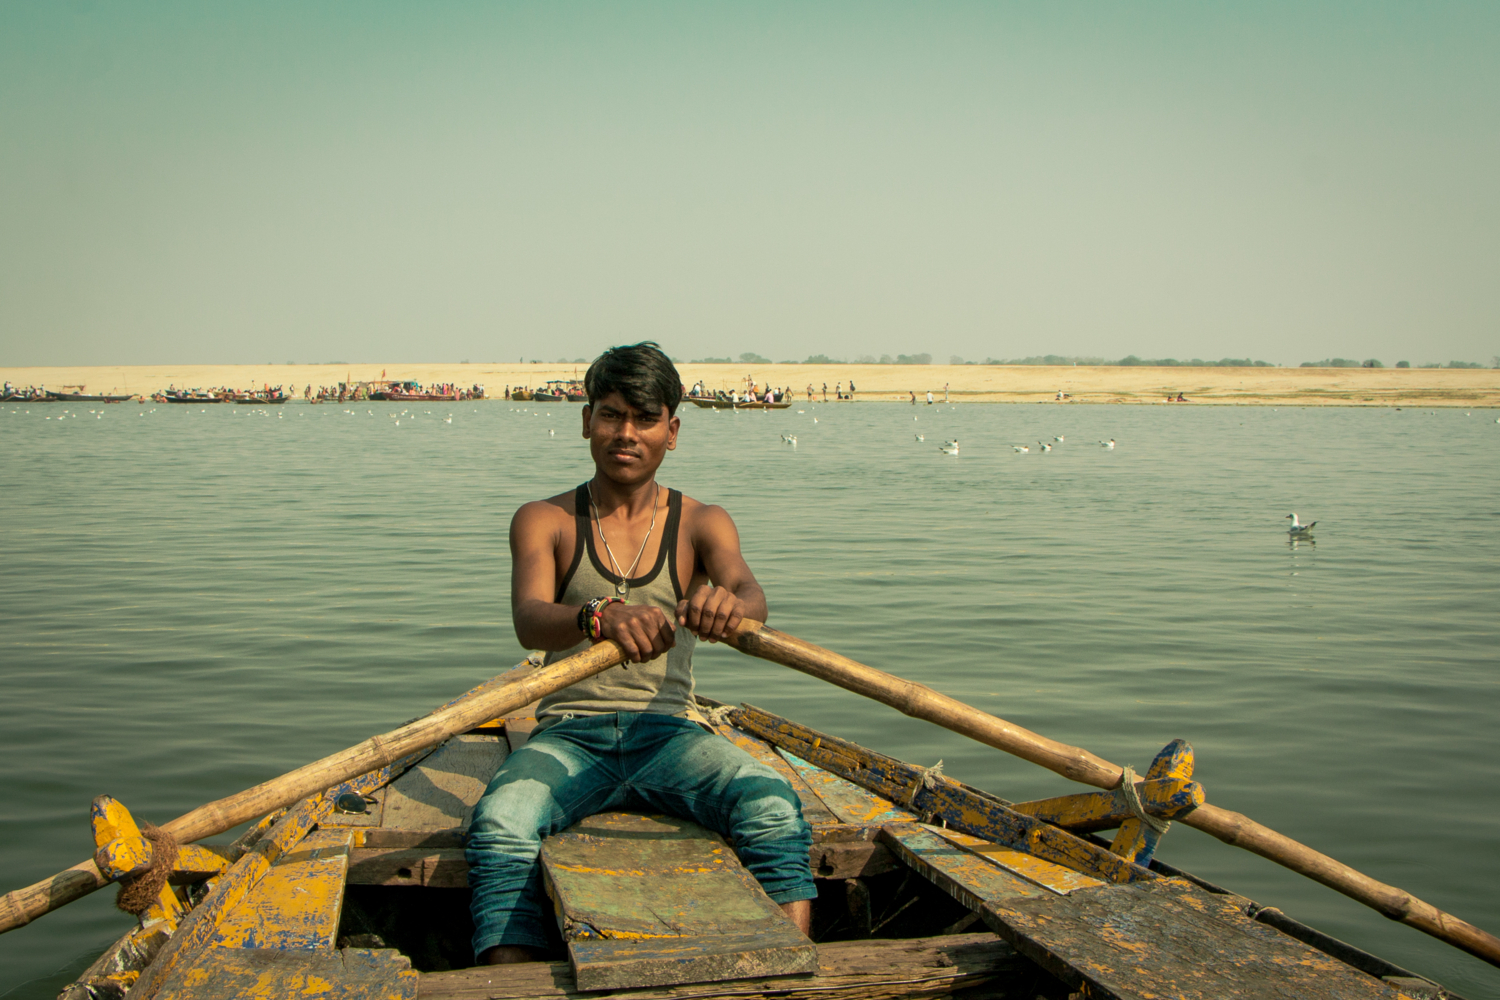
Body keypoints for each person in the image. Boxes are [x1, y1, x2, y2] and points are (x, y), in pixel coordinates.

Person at [466, 343, 816, 964]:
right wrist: (596, 615)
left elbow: (751, 594)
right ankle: (510, 980)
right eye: (610, 415)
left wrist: (731, 610)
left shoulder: (701, 521)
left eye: (645, 418)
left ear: (671, 432)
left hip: (670, 737)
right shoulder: (543, 519)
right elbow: (529, 622)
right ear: (585, 422)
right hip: (571, 736)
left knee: (772, 805)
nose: (625, 434)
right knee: (501, 824)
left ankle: (786, 967)